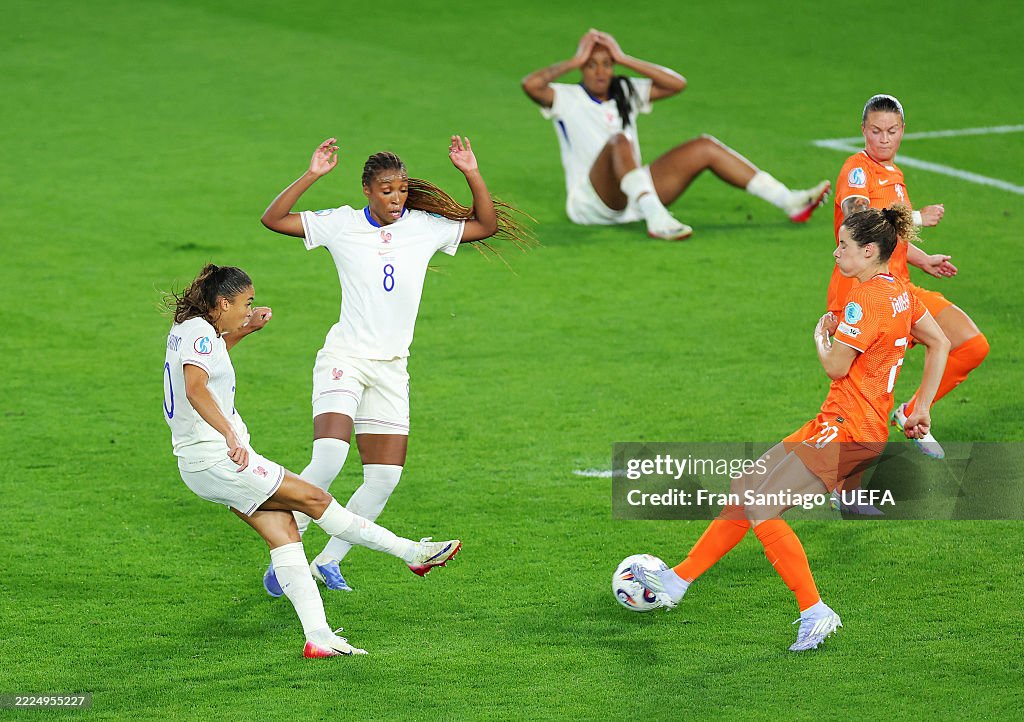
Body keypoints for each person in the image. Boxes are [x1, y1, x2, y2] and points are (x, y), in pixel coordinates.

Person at [631, 206, 950, 651]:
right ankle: (678, 580)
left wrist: (821, 335)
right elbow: (941, 341)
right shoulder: (901, 290)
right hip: (846, 423)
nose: (836, 252)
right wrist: (922, 408)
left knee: (763, 507)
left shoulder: (864, 300)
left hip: (848, 428)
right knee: (746, 488)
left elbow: (836, 366)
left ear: (870, 251)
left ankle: (815, 611)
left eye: (844, 245)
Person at [259, 136, 530, 596]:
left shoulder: (423, 227)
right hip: (344, 359)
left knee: (384, 478)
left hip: (391, 368)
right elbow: (273, 219)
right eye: (387, 190)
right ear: (367, 189)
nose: (397, 199)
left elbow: (486, 225)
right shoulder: (341, 225)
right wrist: (312, 175)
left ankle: (328, 563)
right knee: (329, 456)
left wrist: (471, 171)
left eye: (402, 190)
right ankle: (289, 553)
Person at [162, 264, 462, 657]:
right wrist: (230, 435)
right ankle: (412, 554)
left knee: (285, 532)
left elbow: (210, 362)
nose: (249, 309)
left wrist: (246, 330)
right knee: (316, 501)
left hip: (198, 465)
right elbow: (196, 388)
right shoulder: (202, 333)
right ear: (222, 302)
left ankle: (319, 637)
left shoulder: (190, 328)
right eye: (245, 304)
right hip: (219, 458)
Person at [521, 28, 831, 240]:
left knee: (705, 146)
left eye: (606, 64)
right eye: (591, 65)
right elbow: (530, 85)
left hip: (634, 196)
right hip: (592, 203)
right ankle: (657, 218)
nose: (600, 72)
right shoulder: (566, 97)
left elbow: (676, 83)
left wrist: (625, 58)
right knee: (619, 141)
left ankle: (788, 200)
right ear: (581, 69)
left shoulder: (625, 91)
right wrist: (574, 59)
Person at [828, 94, 989, 459]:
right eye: (875, 131)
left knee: (968, 344)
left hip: (901, 288)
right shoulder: (857, 170)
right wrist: (916, 217)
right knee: (862, 395)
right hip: (864, 295)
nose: (883, 139)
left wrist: (922, 259)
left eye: (891, 131)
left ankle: (915, 411)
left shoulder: (895, 175)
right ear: (863, 131)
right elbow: (859, 219)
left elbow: (887, 240)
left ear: (902, 131)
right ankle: (839, 478)